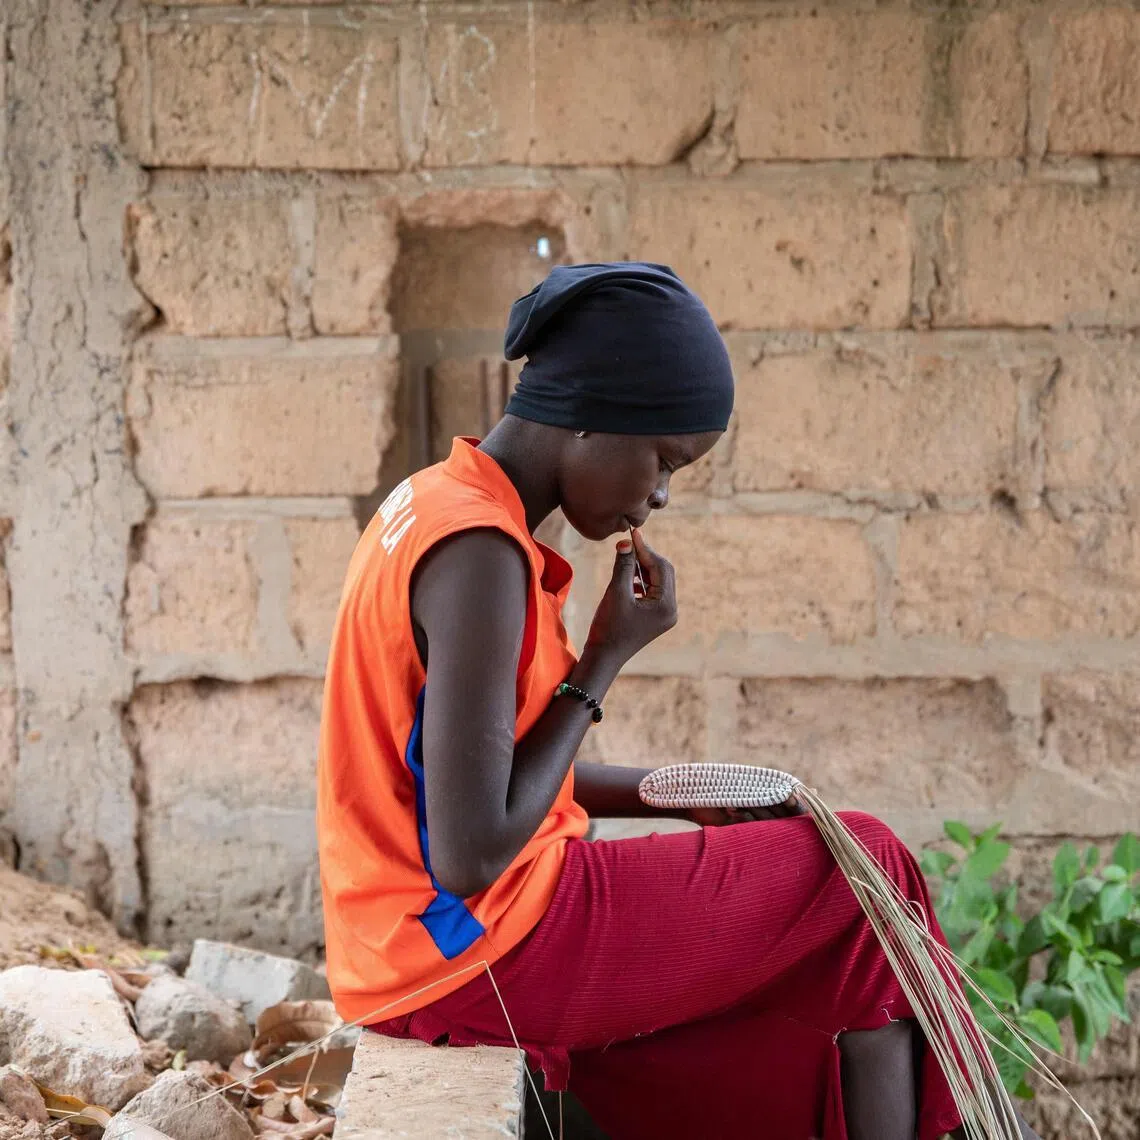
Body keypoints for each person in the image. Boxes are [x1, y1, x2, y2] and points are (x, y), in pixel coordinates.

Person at [317, 263, 1038, 1140]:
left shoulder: (433, 503)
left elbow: (475, 785)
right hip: (481, 947)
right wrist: (603, 661)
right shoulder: (482, 555)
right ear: (592, 414)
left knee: (838, 984)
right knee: (871, 865)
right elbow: (472, 851)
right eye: (663, 461)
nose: (657, 496)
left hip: (416, 946)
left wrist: (667, 790)